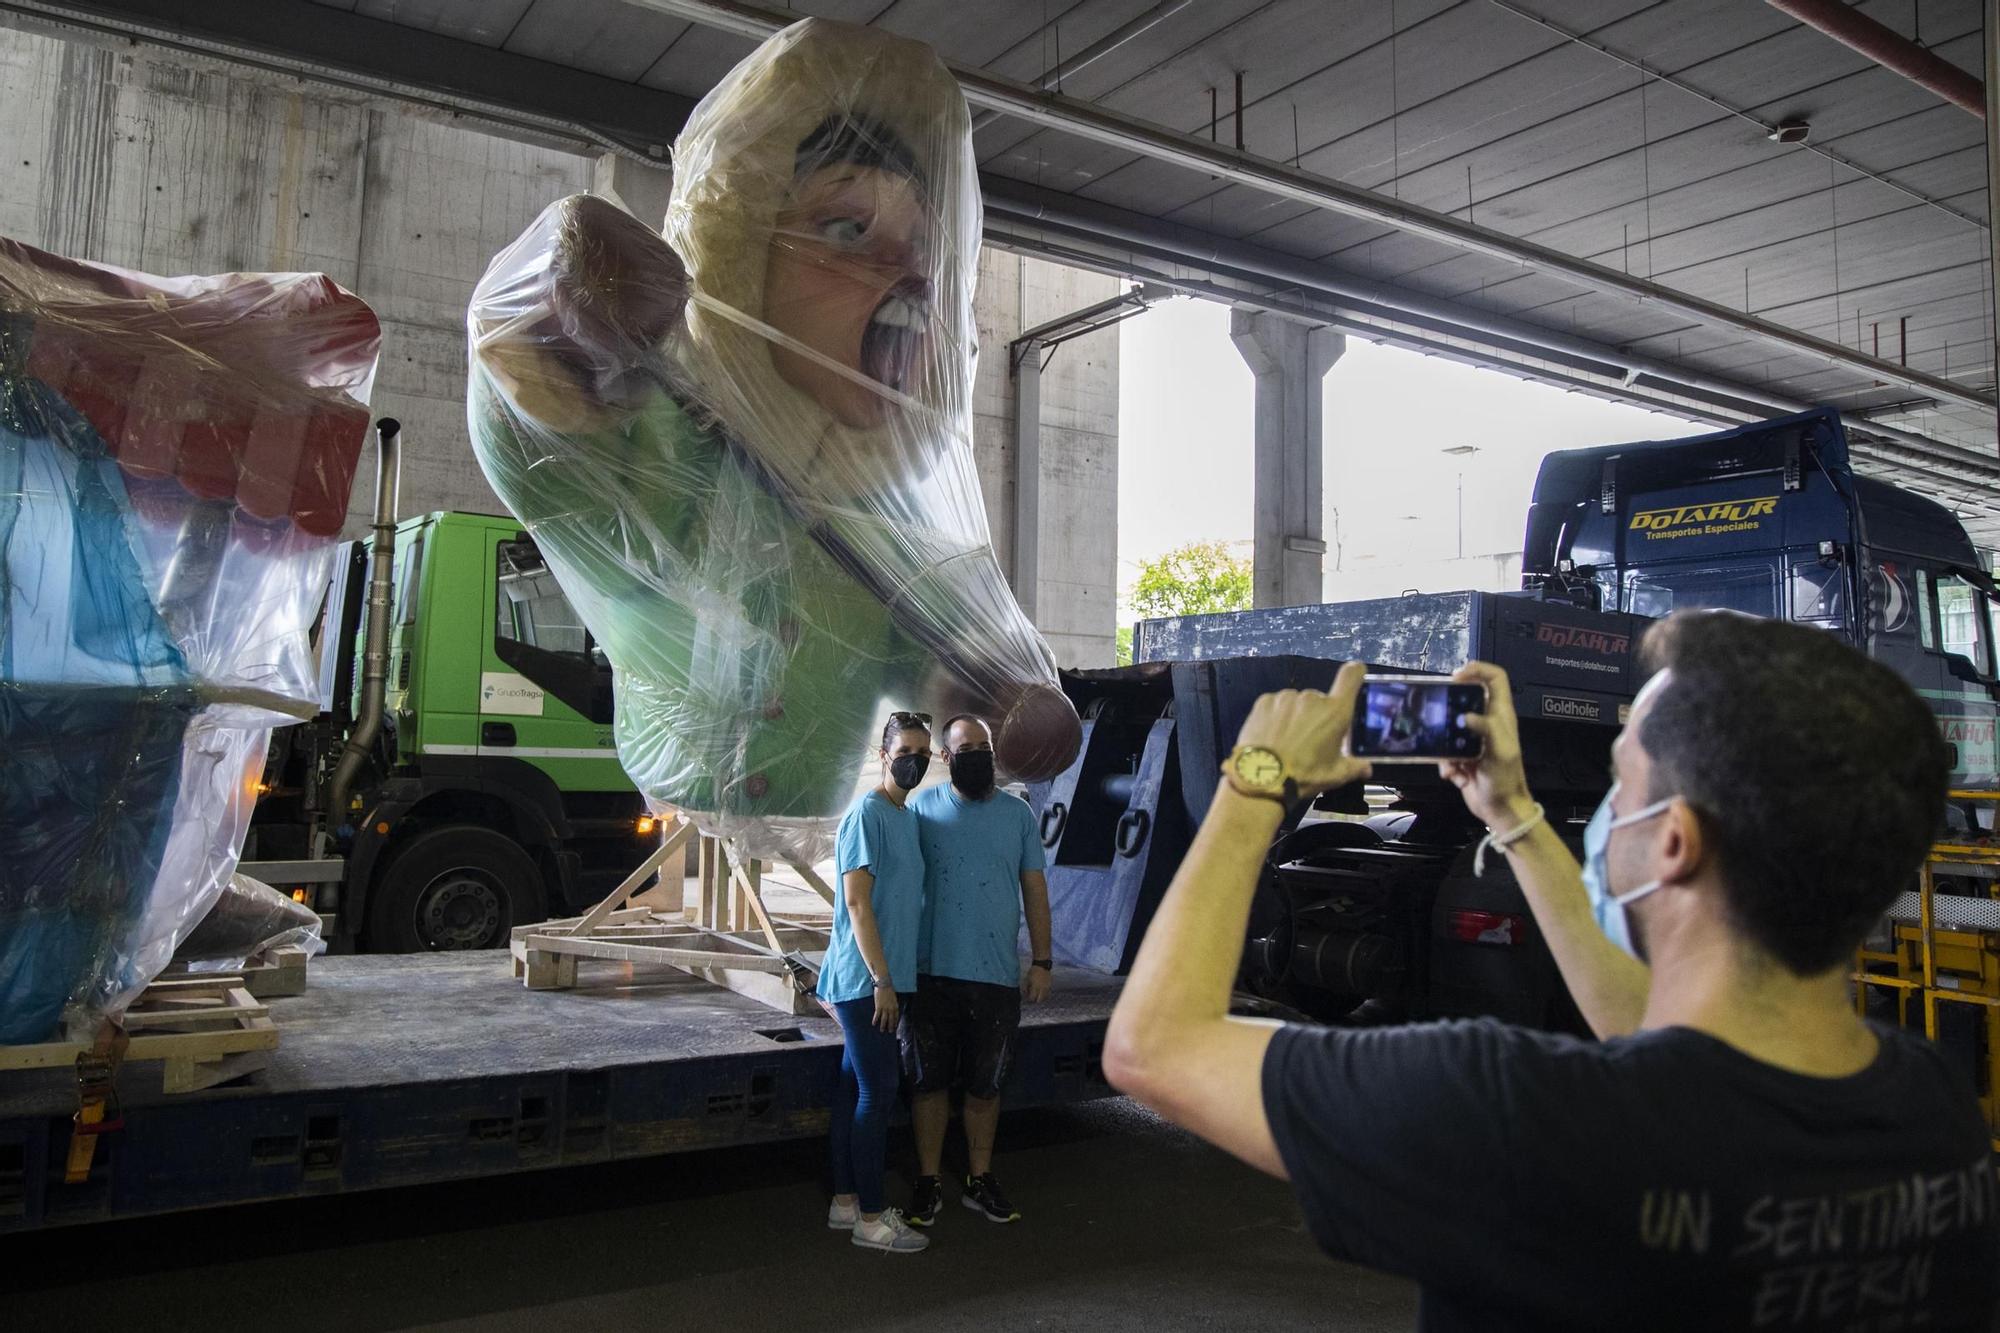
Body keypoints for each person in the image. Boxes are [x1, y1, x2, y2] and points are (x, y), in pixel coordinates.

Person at [1103, 611, 1999, 1330]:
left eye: (1622, 780)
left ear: (1675, 841)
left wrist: (1256, 778)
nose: (1609, 804)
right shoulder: (1933, 1109)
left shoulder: (1514, 1113)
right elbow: (1662, 1040)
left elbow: (1155, 1046)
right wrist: (1516, 814)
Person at [900, 713, 1053, 1226]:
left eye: (984, 747)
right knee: (928, 1084)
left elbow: (1034, 889)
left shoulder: (1018, 816)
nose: (980, 756)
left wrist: (1043, 961)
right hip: (930, 973)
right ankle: (926, 1180)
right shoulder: (919, 809)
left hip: (994, 975)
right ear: (946, 758)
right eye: (967, 749)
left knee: (986, 1087)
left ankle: (978, 1178)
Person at [821, 710, 933, 1254]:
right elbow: (857, 904)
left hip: (885, 978)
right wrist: (882, 980)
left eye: (923, 752)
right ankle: (871, 1216)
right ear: (883, 756)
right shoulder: (867, 814)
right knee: (879, 1091)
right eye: (905, 751)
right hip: (867, 980)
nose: (915, 760)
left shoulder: (905, 817)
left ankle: (845, 1202)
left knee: (853, 1087)